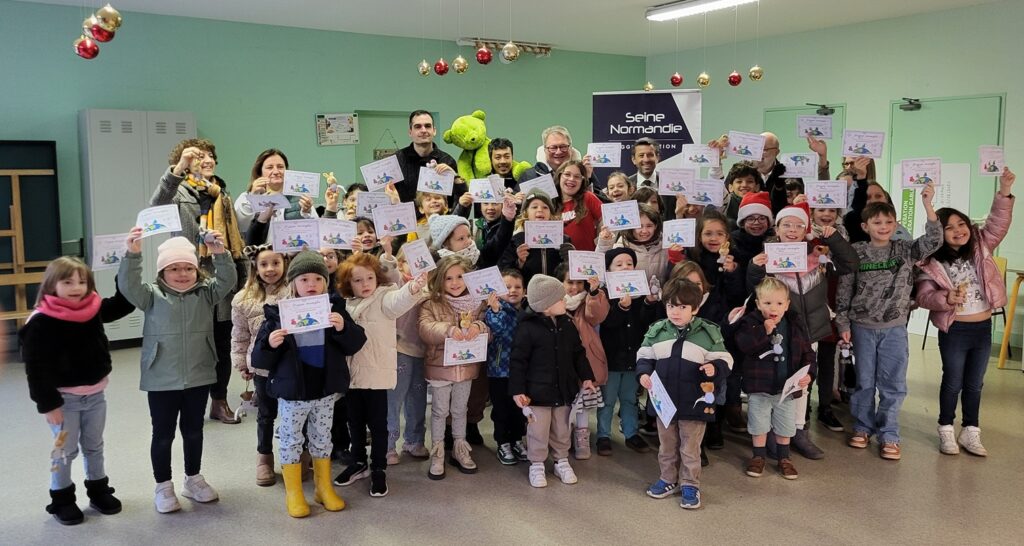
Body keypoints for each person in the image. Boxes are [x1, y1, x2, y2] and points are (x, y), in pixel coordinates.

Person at [117, 228, 237, 513]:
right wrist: (132, 254)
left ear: (196, 270)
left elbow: (228, 280)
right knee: (163, 434)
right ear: (162, 272)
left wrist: (219, 253)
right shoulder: (150, 295)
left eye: (188, 268)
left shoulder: (206, 293)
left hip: (198, 374)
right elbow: (128, 285)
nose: (182, 274)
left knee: (194, 431)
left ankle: (193, 479)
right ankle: (163, 485)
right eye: (174, 268)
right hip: (161, 378)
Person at [250, 251, 367, 517]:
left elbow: (356, 344)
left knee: (323, 438)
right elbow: (259, 359)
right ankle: (294, 493)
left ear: (326, 282)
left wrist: (343, 329)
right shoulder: (278, 315)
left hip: (324, 390)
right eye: (304, 279)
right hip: (293, 392)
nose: (311, 284)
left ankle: (323, 488)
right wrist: (270, 344)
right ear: (293, 283)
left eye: (318, 278)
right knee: (291, 439)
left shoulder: (335, 309)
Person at [20, 257, 134, 525]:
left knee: (94, 446)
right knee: (63, 451)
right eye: (67, 282)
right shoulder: (40, 321)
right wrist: (48, 404)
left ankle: (98, 490)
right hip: (63, 402)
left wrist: (129, 262)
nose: (76, 288)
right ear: (52, 284)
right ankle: (61, 499)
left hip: (95, 397)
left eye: (82, 282)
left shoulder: (92, 308)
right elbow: (35, 368)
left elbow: (124, 304)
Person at [836, 184, 941, 460]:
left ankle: (889, 434)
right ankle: (862, 427)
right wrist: (843, 324)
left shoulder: (905, 249)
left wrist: (928, 205)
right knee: (864, 382)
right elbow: (844, 289)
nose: (883, 226)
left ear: (896, 224)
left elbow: (933, 241)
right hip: (861, 327)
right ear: (865, 226)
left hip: (894, 328)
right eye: (877, 222)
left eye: (888, 222)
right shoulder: (856, 252)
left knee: (893, 384)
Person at [747, 201, 859, 460]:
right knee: (775, 382)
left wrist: (834, 239)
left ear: (807, 229)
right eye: (786, 224)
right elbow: (753, 290)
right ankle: (774, 432)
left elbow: (850, 264)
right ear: (777, 228)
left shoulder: (819, 256)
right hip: (779, 331)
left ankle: (798, 431)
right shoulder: (768, 256)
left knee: (802, 383)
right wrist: (754, 267)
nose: (792, 229)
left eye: (799, 225)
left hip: (810, 332)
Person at [915, 168, 1015, 456]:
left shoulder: (981, 246)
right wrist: (945, 297)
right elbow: (923, 297)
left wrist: (1004, 191)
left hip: (982, 328)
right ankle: (946, 428)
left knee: (975, 384)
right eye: (949, 228)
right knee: (953, 382)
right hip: (955, 329)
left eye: (962, 224)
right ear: (940, 234)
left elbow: (998, 222)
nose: (958, 230)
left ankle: (971, 430)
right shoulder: (931, 262)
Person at [150, 139, 246, 424]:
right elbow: (157, 205)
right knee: (192, 345)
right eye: (199, 156)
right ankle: (190, 401)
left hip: (222, 277)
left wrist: (241, 276)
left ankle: (219, 402)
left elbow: (235, 238)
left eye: (210, 155)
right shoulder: (178, 190)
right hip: (189, 279)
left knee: (221, 343)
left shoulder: (221, 193)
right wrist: (178, 169)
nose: (207, 160)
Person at [333, 252, 427, 497]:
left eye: (369, 278)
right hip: (352, 376)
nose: (365, 284)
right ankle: (358, 462)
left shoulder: (384, 297)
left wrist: (413, 287)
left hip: (376, 374)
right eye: (357, 280)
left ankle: (378, 467)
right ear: (348, 283)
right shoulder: (345, 304)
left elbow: (399, 301)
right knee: (354, 422)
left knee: (378, 425)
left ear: (377, 278)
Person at [637, 278, 732, 509]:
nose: (675, 312)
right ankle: (668, 479)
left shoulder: (708, 332)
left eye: (682, 307)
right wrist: (643, 374)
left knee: (690, 447)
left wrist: (715, 368)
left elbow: (726, 359)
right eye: (671, 306)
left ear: (695, 308)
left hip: (694, 403)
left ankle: (690, 483)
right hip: (664, 403)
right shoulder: (657, 331)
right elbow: (644, 356)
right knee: (666, 446)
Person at [509, 274, 596, 488]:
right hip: (536, 394)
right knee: (537, 430)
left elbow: (578, 353)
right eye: (560, 298)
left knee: (562, 428)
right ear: (546, 306)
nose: (565, 300)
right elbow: (518, 361)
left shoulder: (568, 324)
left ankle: (561, 460)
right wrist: (517, 390)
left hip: (564, 390)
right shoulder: (527, 328)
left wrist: (586, 377)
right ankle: (537, 463)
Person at [734, 277, 816, 480]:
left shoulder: (794, 323)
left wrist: (809, 374)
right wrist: (764, 331)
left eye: (779, 303)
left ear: (787, 305)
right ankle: (758, 456)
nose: (773, 308)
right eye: (767, 303)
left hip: (786, 389)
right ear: (758, 304)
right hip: (759, 387)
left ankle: (784, 458)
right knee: (758, 424)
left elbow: (807, 352)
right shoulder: (750, 323)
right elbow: (745, 346)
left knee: (785, 425)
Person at [418, 255, 489, 479]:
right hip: (440, 367)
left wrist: (479, 326)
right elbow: (425, 328)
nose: (455, 282)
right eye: (449, 278)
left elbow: (490, 330)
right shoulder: (431, 302)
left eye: (460, 277)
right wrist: (447, 330)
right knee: (440, 411)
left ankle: (460, 447)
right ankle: (438, 451)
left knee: (460, 409)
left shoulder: (477, 303)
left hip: (466, 367)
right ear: (440, 279)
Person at [230, 244, 289, 487]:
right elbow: (240, 335)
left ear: (285, 264)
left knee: (294, 411)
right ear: (255, 267)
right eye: (264, 264)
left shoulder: (293, 292)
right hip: (262, 365)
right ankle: (264, 457)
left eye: (276, 263)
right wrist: (241, 362)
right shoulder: (243, 299)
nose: (270, 269)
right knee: (266, 414)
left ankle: (296, 455)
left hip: (290, 364)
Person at [597, 248, 660, 455]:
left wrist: (649, 303)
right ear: (608, 270)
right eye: (619, 264)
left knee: (630, 398)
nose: (625, 267)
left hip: (633, 357)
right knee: (607, 400)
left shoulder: (639, 292)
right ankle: (603, 436)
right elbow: (607, 323)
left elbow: (646, 322)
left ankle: (631, 433)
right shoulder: (604, 294)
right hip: (611, 358)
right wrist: (622, 308)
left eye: (629, 263)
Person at [554, 263, 609, 459]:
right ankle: (563, 437)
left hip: (586, 359)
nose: (574, 287)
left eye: (579, 282)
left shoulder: (589, 300)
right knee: (564, 403)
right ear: (560, 282)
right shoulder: (555, 303)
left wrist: (594, 293)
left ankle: (582, 438)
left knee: (583, 404)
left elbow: (597, 315)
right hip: (562, 360)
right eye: (570, 282)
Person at [482, 270, 530, 465]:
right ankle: (503, 442)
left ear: (524, 291)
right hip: (498, 371)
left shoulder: (527, 312)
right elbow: (498, 329)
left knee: (520, 409)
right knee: (501, 409)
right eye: (507, 287)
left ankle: (517, 440)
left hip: (521, 372)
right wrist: (495, 309)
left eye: (518, 287)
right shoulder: (495, 311)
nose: (512, 290)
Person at [234, 149, 318, 237]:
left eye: (280, 167)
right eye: (269, 167)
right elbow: (240, 226)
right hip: (259, 246)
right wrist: (253, 196)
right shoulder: (246, 197)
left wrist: (306, 212)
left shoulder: (300, 198)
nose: (276, 172)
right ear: (260, 172)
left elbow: (314, 231)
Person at [499, 191, 569, 285]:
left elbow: (570, 275)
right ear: (526, 212)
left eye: (545, 207)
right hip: (527, 292)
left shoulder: (564, 240)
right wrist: (519, 262)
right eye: (534, 207)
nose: (540, 210)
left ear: (550, 213)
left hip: (557, 291)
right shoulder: (516, 240)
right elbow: (505, 272)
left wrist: (570, 259)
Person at [395, 110, 465, 206]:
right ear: (410, 132)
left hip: (439, 215)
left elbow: (458, 201)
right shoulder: (397, 160)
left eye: (427, 126)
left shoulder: (447, 161)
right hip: (405, 214)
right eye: (418, 126)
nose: (423, 130)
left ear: (434, 131)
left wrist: (456, 178)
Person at [519, 126, 602, 191]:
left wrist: (587, 179)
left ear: (571, 148)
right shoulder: (529, 176)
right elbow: (518, 205)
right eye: (553, 147)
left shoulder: (585, 172)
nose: (558, 152)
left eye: (563, 147)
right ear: (545, 150)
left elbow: (600, 203)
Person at [554, 160, 603, 252]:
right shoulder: (550, 203)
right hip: (558, 259)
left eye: (577, 177)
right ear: (559, 176)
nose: (571, 179)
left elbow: (605, 220)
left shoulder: (588, 197)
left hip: (587, 258)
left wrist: (601, 243)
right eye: (567, 174)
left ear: (582, 181)